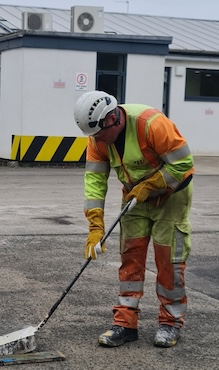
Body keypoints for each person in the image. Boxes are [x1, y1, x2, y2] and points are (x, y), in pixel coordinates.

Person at [74, 90, 194, 348]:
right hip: (134, 199)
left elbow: (184, 163)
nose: (96, 141)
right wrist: (95, 225)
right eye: (92, 136)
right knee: (130, 258)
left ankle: (170, 323)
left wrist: (151, 185)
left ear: (112, 119)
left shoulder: (151, 123)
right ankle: (125, 323)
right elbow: (94, 180)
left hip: (172, 197)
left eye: (99, 134)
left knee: (169, 261)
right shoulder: (97, 139)